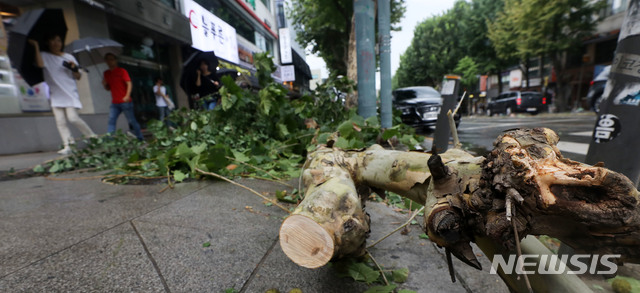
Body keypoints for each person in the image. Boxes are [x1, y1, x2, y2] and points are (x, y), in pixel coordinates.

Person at [29, 34, 96, 155]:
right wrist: (36, 46)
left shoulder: (68, 57)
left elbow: (78, 77)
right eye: (52, 40)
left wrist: (74, 69)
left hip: (69, 92)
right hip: (56, 93)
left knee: (73, 118)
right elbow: (40, 64)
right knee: (60, 121)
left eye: (58, 40)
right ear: (48, 42)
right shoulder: (45, 55)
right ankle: (68, 145)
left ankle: (93, 137)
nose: (56, 43)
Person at [102, 53, 144, 141]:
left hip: (125, 101)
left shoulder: (122, 71)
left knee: (132, 121)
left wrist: (127, 95)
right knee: (111, 121)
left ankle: (140, 138)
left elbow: (129, 83)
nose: (110, 61)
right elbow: (108, 88)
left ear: (115, 60)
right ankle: (110, 141)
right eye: (108, 59)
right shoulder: (106, 73)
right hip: (115, 102)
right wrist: (105, 84)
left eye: (111, 59)